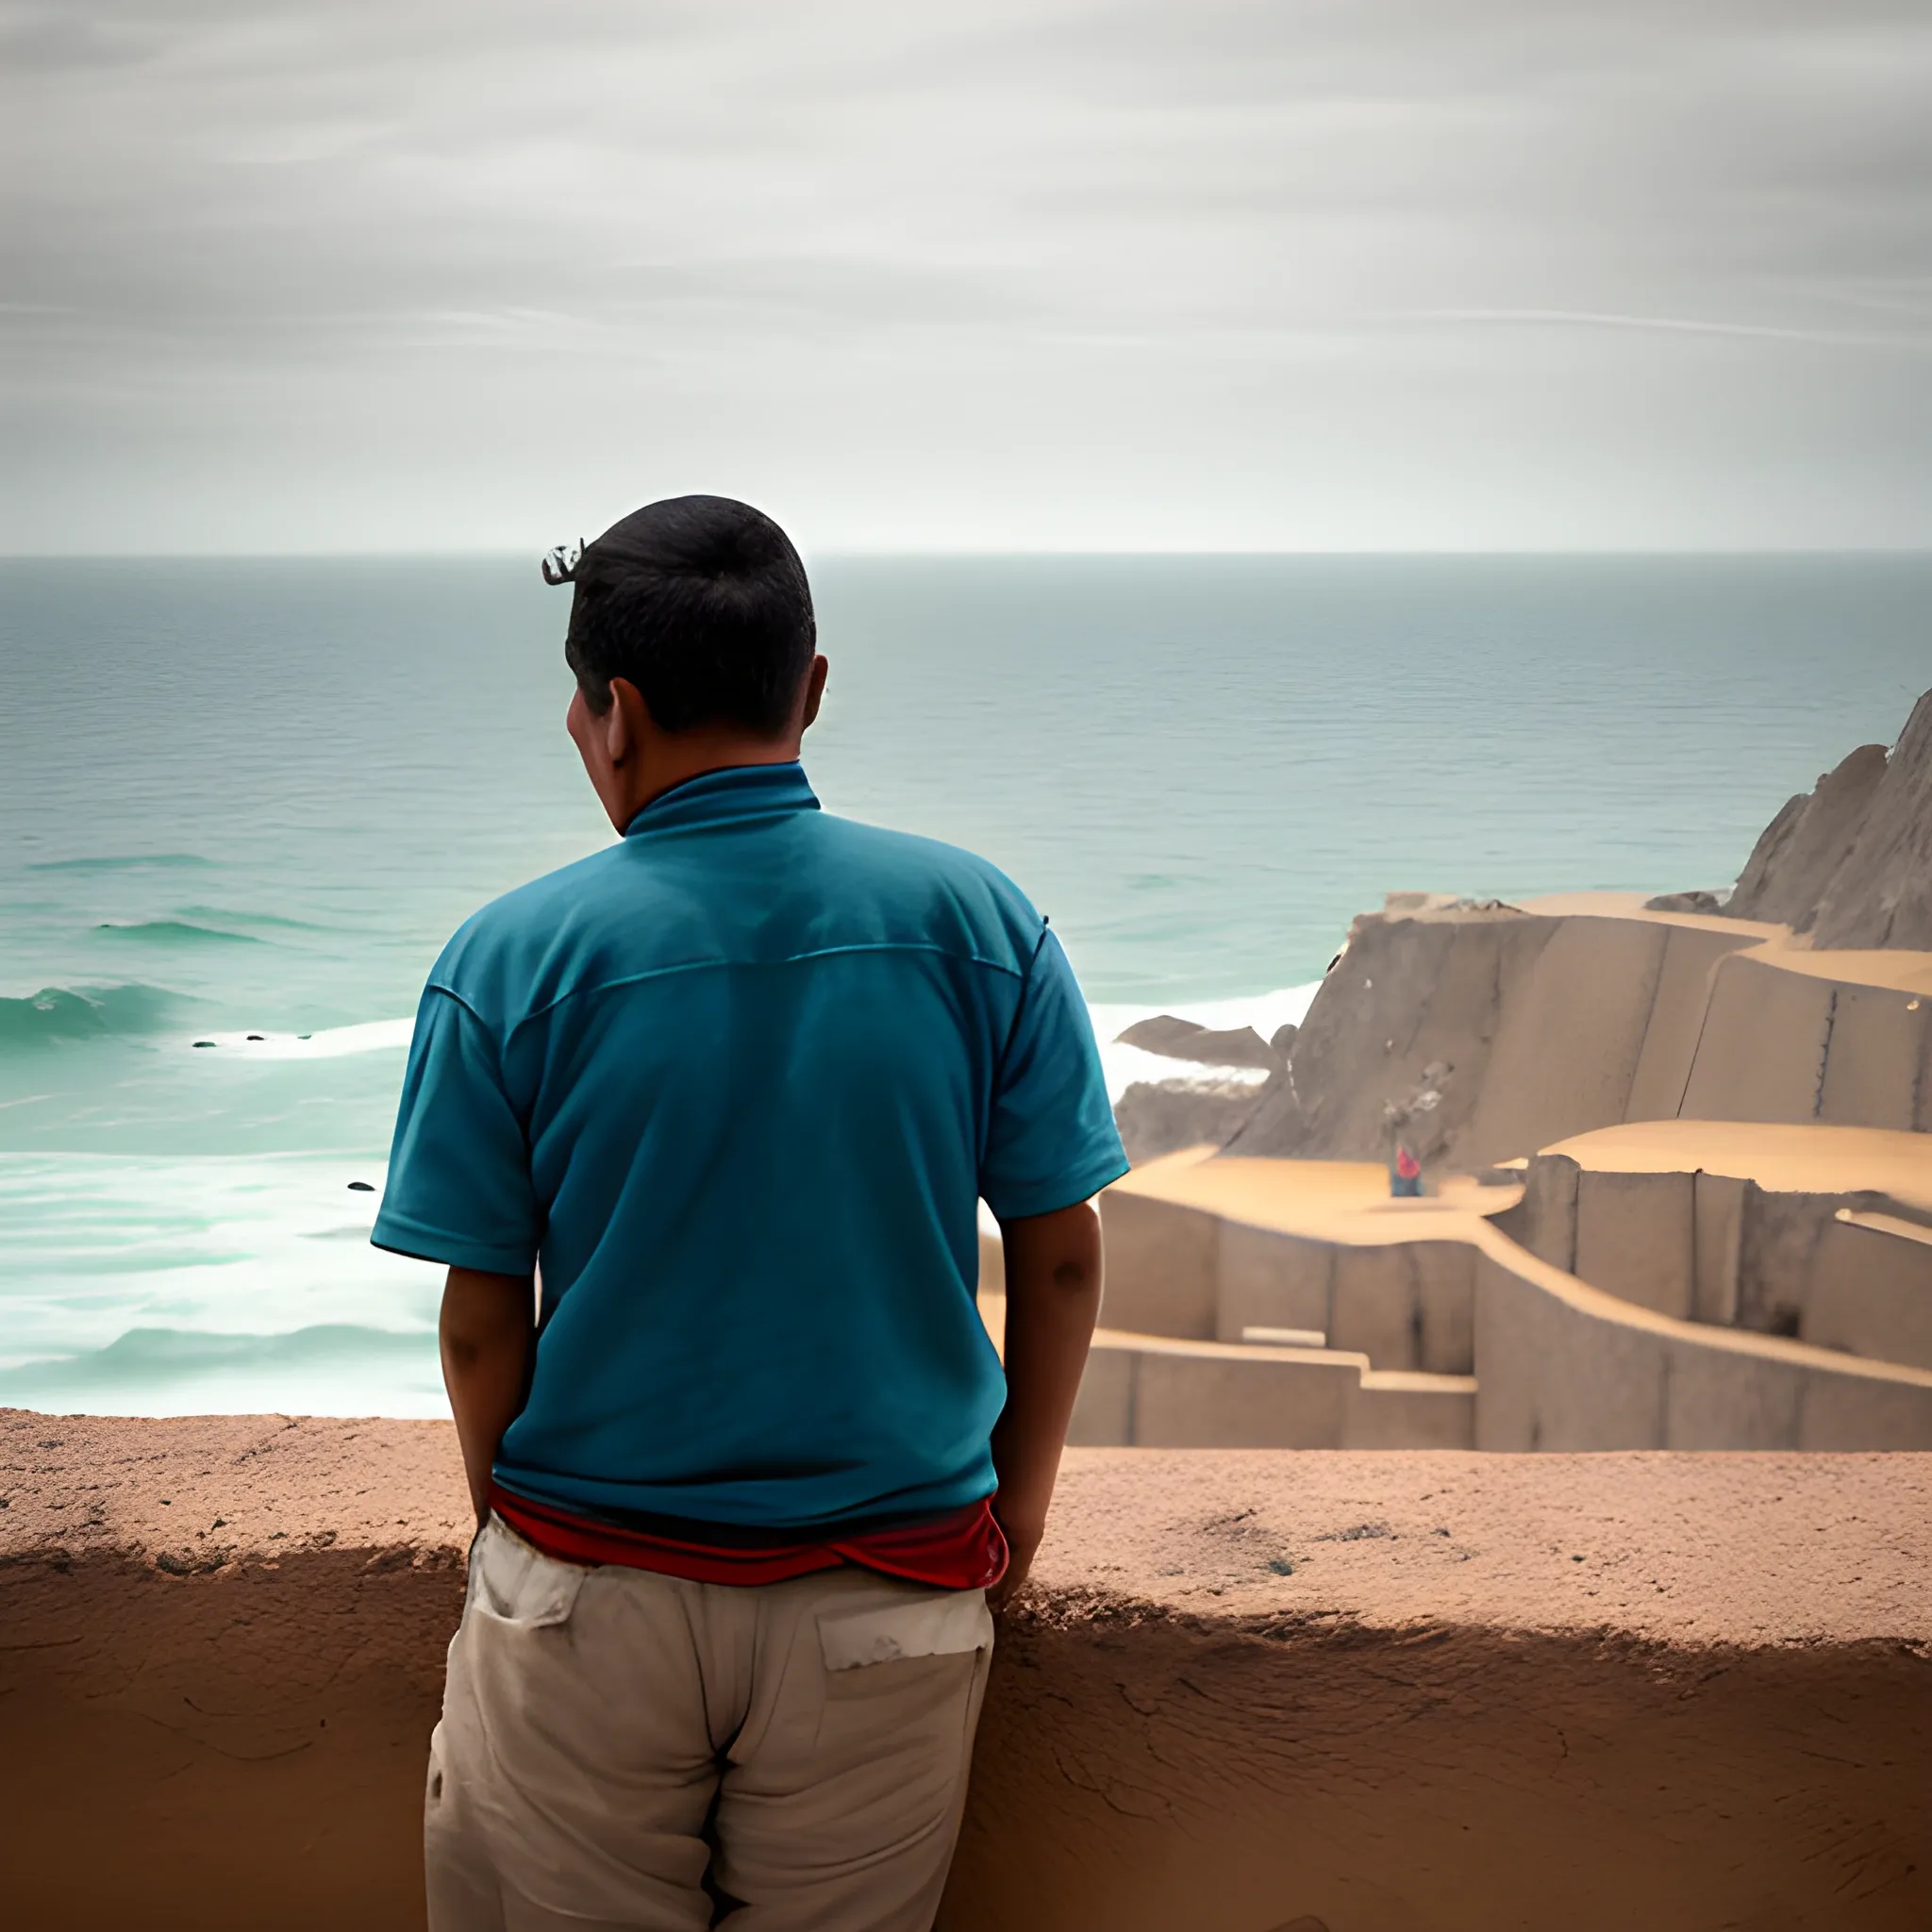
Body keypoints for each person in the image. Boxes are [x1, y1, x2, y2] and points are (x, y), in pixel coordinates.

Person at [372, 495, 1127, 1932]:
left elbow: (481, 1324)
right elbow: (1066, 1255)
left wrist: (515, 1545)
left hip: (593, 1586)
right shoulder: (984, 923)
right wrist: (1011, 1517)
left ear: (615, 713)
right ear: (815, 690)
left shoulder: (508, 957)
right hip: (893, 1588)